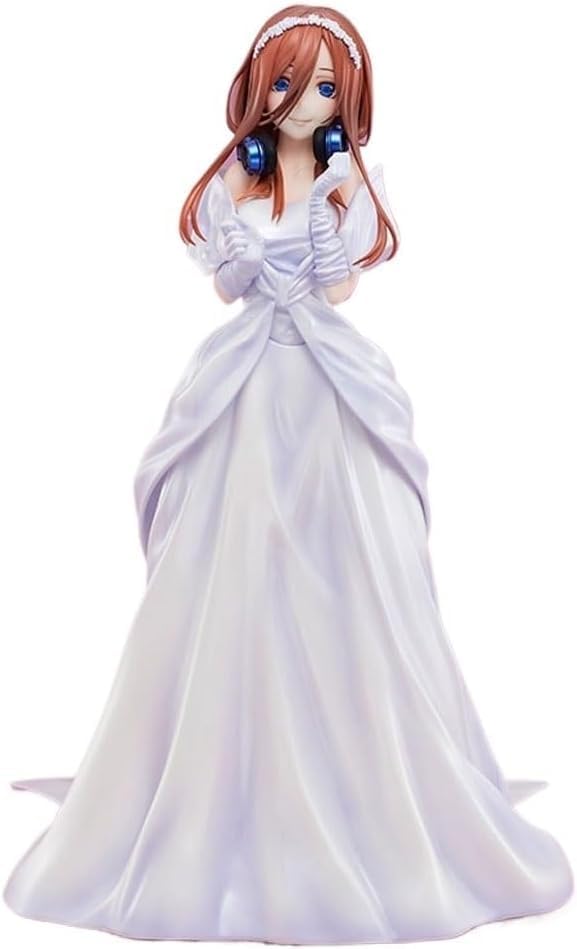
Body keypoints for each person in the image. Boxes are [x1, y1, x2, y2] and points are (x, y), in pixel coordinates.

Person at [4, 5, 574, 943]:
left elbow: (342, 285)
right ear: (259, 89)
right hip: (246, 378)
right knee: (229, 554)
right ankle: (217, 775)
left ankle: (362, 773)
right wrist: (240, 258)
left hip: (323, 379)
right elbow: (224, 283)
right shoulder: (243, 173)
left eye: (320, 87)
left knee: (349, 559)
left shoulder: (346, 181)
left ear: (346, 97)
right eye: (286, 83)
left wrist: (323, 236)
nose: (304, 103)